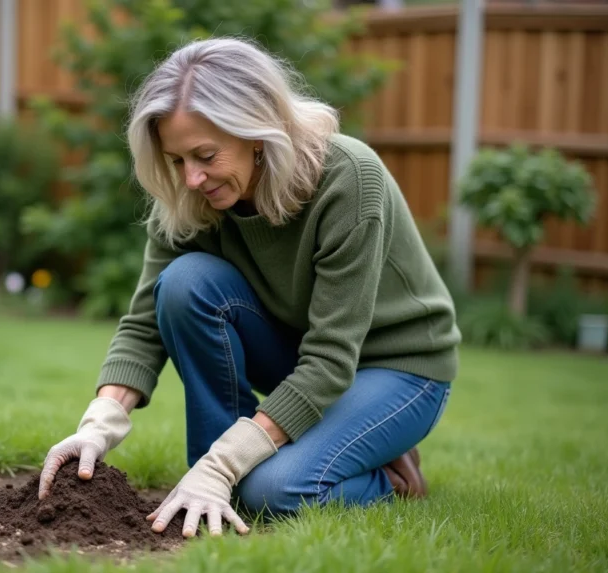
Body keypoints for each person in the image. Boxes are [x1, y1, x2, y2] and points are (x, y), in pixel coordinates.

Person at [37, 37, 460, 539]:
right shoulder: (191, 196)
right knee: (183, 284)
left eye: (206, 155)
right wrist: (98, 425)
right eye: (176, 160)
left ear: (258, 133)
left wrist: (223, 466)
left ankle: (391, 477)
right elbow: (147, 320)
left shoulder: (349, 179)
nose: (191, 178)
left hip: (399, 367)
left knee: (273, 492)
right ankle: (222, 478)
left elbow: (330, 358)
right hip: (300, 351)